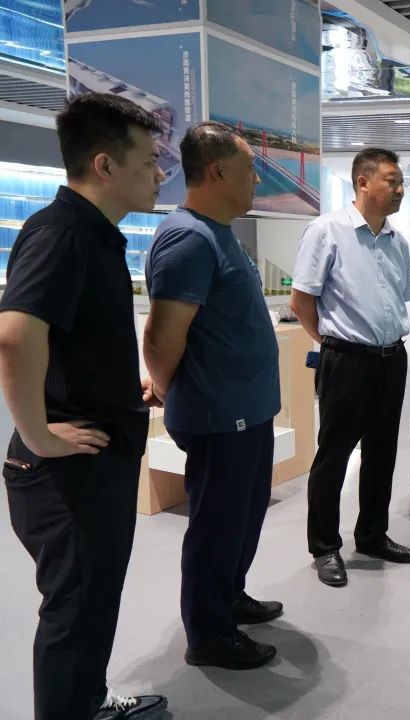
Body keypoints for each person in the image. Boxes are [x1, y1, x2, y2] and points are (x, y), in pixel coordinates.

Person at [0, 92, 168, 719]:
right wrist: (39, 435)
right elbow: (14, 336)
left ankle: (89, 703)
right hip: (67, 470)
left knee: (92, 602)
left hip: (93, 457)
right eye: (148, 161)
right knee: (74, 612)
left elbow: (66, 339)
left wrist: (120, 387)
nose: (159, 173)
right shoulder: (63, 232)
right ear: (105, 165)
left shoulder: (95, 236)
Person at [143, 122, 283, 670]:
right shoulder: (188, 238)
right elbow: (162, 337)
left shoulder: (220, 232)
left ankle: (229, 596)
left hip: (247, 411)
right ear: (218, 171)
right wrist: (167, 387)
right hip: (219, 415)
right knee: (217, 526)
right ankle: (207, 633)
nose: (256, 180)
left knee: (243, 518)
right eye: (250, 170)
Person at [291, 148, 410, 587]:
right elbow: (301, 301)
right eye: (391, 181)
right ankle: (325, 546)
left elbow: (397, 299)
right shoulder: (327, 231)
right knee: (335, 455)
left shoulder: (398, 242)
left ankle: (372, 535)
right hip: (346, 359)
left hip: (391, 359)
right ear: (363, 182)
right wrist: (330, 343)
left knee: (382, 452)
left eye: (401, 182)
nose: (400, 190)